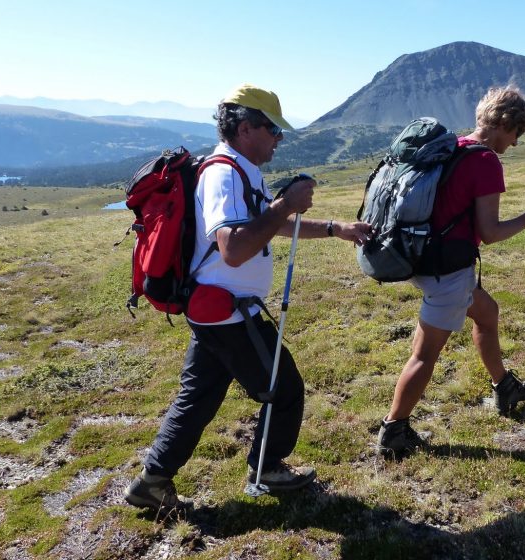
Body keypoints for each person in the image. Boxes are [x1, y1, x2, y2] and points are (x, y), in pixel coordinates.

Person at [125, 83, 371, 511]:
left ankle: (153, 482)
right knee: (285, 388)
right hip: (228, 313)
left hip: (217, 311)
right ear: (245, 128)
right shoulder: (223, 173)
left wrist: (334, 228)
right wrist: (286, 205)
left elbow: (265, 227)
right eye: (274, 129)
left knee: (198, 397)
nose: (280, 139)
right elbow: (234, 248)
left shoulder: (242, 169)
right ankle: (268, 469)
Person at [377, 86, 525, 456]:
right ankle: (394, 429)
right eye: (516, 134)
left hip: (422, 259)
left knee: (487, 313)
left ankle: (505, 386)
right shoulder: (486, 161)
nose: (516, 143)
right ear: (504, 124)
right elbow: (489, 233)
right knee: (424, 354)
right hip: (447, 271)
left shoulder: (453, 147)